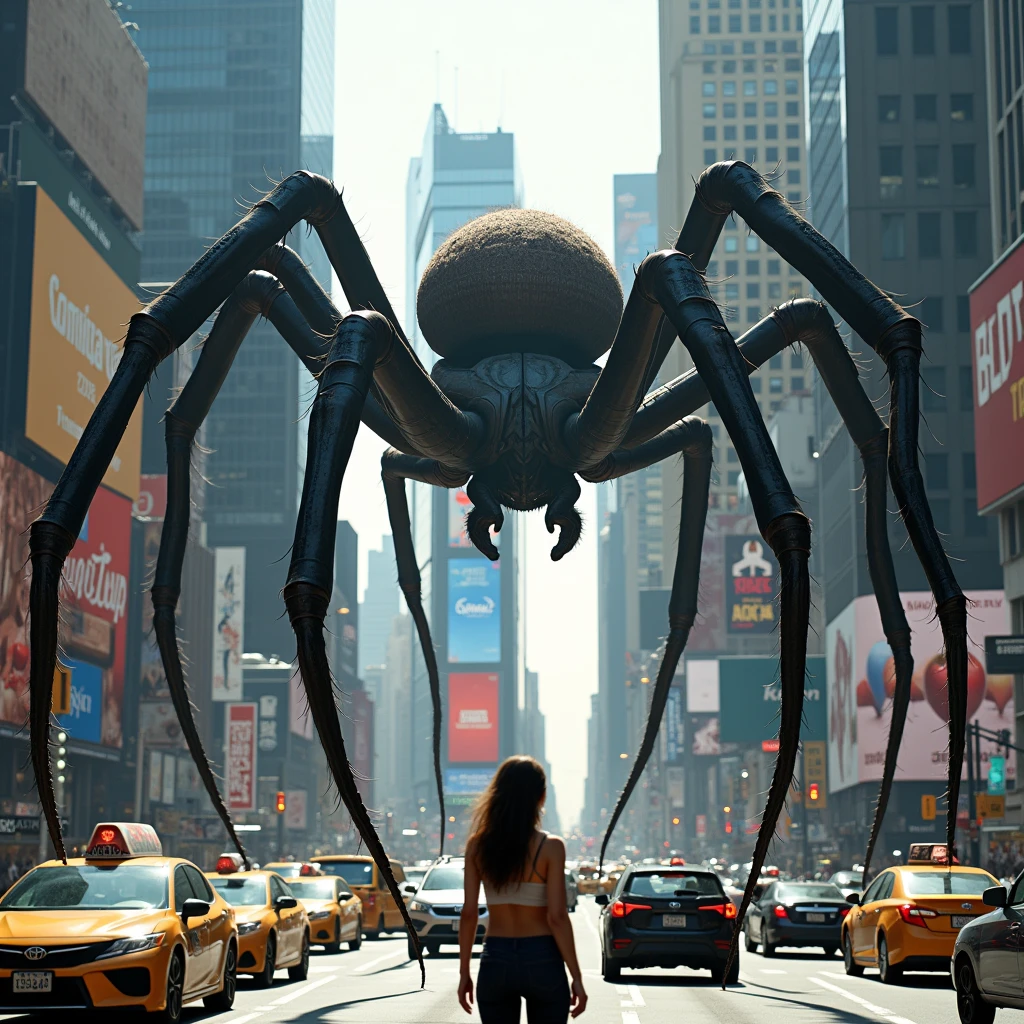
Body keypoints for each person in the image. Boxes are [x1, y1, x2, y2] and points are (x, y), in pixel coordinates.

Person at [458, 756, 586, 1023]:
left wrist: (464, 974)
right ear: (541, 797)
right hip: (542, 956)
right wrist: (576, 977)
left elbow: (469, 914)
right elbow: (557, 917)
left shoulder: (478, 846)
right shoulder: (550, 847)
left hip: (496, 956)